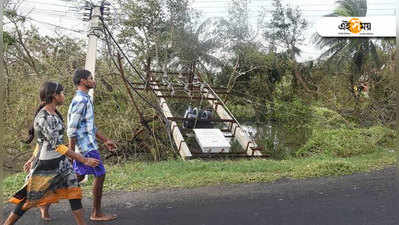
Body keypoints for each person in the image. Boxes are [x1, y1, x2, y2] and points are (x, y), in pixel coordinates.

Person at [3, 81, 100, 225]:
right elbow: (57, 145)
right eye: (62, 93)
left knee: (74, 192)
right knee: (31, 196)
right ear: (54, 95)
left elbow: (43, 141)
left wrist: (32, 157)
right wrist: (83, 160)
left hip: (61, 164)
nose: (64, 96)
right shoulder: (44, 117)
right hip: (47, 165)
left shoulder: (54, 113)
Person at [67, 69, 117, 221]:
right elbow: (72, 129)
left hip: (86, 145)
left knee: (78, 176)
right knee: (100, 174)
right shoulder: (80, 100)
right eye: (91, 78)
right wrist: (71, 153)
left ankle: (46, 199)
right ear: (83, 81)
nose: (93, 80)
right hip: (85, 147)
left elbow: (90, 126)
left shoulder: (85, 99)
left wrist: (105, 140)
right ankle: (96, 213)